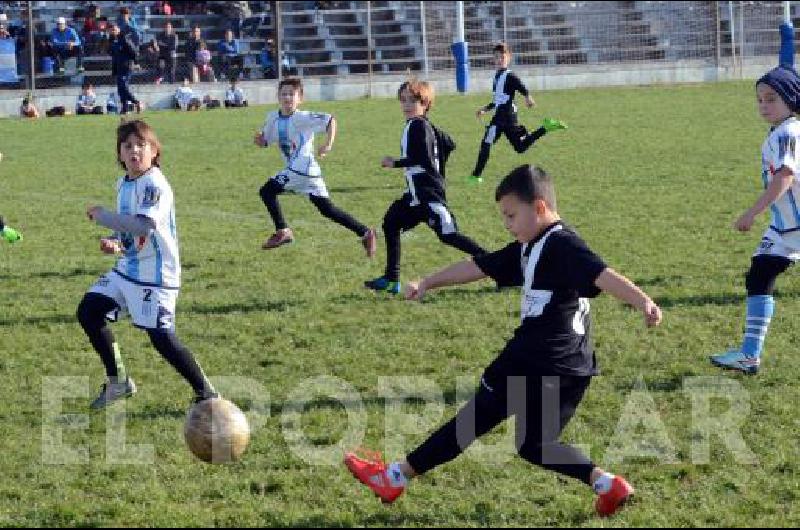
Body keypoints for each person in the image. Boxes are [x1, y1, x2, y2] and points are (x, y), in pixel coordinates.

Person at [345, 164, 663, 517]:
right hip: (574, 367)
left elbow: (602, 275)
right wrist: (429, 282)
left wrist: (642, 301)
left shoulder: (562, 244)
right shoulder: (530, 245)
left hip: (533, 358)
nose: (507, 224)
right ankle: (608, 485)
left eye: (511, 216)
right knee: (534, 445)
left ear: (539, 208)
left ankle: (394, 477)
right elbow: (479, 265)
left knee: (474, 418)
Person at [79, 120, 218, 410]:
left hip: (156, 274)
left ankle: (207, 393)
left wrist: (103, 216)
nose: (134, 151)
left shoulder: (155, 184)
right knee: (89, 311)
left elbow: (143, 227)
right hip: (129, 268)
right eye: (127, 146)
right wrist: (115, 241)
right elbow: (128, 229)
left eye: (141, 145)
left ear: (154, 151)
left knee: (161, 337)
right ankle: (119, 381)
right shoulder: (123, 183)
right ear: (119, 154)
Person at [710, 66, 800, 375]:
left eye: (771, 98)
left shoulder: (788, 132)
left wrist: (752, 213)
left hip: (796, 228)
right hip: (785, 228)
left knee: (761, 275)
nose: (763, 105)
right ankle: (749, 355)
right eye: (759, 99)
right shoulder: (783, 131)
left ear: (791, 99)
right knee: (759, 274)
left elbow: (785, 176)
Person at [364, 79, 487, 294]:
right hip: (414, 196)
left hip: (428, 194)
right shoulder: (424, 125)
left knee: (448, 234)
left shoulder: (419, 126)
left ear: (426, 103)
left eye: (413, 100)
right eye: (403, 100)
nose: (407, 105)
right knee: (390, 223)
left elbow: (423, 158)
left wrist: (396, 162)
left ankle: (493, 263)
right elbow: (449, 143)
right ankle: (392, 279)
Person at [254, 77, 377, 255]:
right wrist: (260, 140)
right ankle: (366, 232)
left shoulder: (302, 117)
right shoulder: (272, 118)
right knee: (326, 209)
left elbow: (330, 120)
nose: (287, 97)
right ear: (278, 97)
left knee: (267, 191)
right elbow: (266, 141)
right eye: (284, 94)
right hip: (306, 171)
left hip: (301, 166)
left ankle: (283, 231)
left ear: (300, 98)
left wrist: (328, 144)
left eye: (292, 94)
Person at [469, 42, 567, 184]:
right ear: (493, 59)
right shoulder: (497, 76)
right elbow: (499, 100)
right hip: (505, 116)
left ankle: (475, 176)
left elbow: (520, 85)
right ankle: (545, 127)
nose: (500, 59)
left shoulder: (509, 75)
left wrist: (528, 96)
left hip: (505, 118)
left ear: (508, 58)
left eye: (503, 56)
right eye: (497, 57)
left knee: (486, 143)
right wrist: (485, 109)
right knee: (519, 148)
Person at [108, 22, 142, 114]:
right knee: (120, 89)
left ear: (118, 29)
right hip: (118, 67)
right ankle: (125, 108)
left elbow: (134, 51)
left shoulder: (124, 38)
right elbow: (111, 52)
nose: (113, 31)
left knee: (124, 86)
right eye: (111, 30)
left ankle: (137, 102)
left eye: (114, 29)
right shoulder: (111, 40)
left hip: (127, 66)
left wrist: (136, 62)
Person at [154, 20, 178, 85]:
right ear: (164, 28)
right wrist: (162, 45)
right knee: (160, 64)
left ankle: (171, 82)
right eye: (166, 27)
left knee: (172, 68)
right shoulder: (160, 35)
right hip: (163, 54)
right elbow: (157, 43)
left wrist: (162, 45)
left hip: (171, 55)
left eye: (169, 27)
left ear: (171, 28)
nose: (168, 28)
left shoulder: (174, 36)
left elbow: (173, 47)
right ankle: (160, 79)